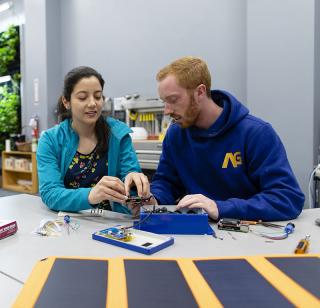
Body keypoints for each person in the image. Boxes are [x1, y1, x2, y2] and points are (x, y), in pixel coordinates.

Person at [150, 56, 305, 221]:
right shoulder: (175, 135)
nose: (166, 111)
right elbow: (166, 182)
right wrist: (153, 200)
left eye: (173, 100)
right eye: (164, 102)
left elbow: (287, 198)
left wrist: (220, 208)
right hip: (198, 234)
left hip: (249, 235)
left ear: (200, 92)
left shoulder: (256, 133)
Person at [37, 66, 149, 213]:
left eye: (98, 96)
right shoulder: (50, 140)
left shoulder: (118, 135)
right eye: (82, 97)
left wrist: (134, 182)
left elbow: (130, 178)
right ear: (66, 102)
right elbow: (50, 193)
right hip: (69, 222)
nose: (92, 103)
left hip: (111, 225)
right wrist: (91, 195)